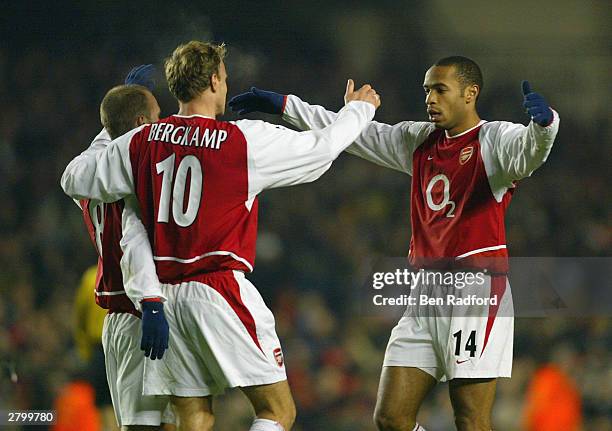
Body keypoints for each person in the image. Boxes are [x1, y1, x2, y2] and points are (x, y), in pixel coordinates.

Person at [61, 40, 381, 431]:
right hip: (218, 287)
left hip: (165, 296)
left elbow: (78, 177)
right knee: (277, 411)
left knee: (194, 416)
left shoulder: (139, 141)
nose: (226, 88)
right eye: (225, 79)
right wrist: (359, 110)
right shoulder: (242, 140)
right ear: (214, 81)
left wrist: (114, 114)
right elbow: (323, 147)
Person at [227, 56, 560, 431]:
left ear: (470, 94)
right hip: (424, 291)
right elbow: (357, 134)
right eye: (427, 90)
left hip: (475, 291)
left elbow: (530, 152)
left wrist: (544, 125)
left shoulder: (494, 139)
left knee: (470, 419)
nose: (430, 99)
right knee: (391, 418)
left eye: (440, 89)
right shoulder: (418, 140)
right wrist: (284, 105)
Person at [73, 66, 176, 430]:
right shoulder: (134, 177)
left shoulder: (91, 176)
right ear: (139, 123)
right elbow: (137, 239)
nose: (161, 125)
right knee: (147, 425)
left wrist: (113, 121)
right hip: (139, 314)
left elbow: (92, 155)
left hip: (115, 322)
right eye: (156, 119)